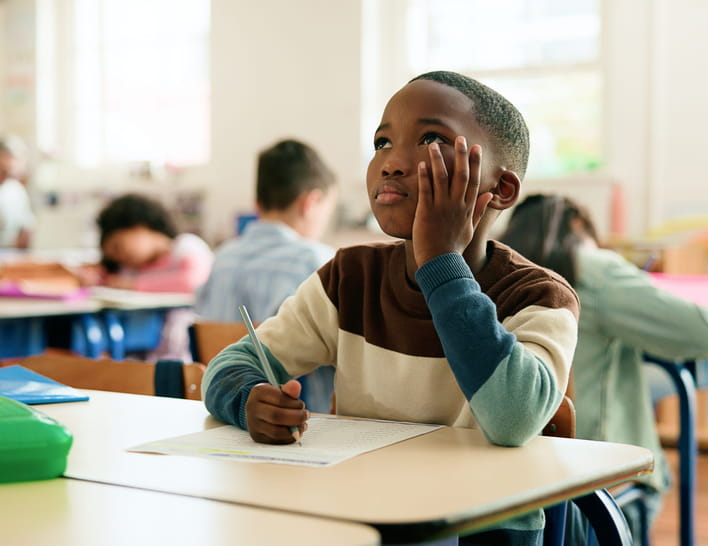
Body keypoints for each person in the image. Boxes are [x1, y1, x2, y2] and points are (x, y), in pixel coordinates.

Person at [202, 71, 579, 545]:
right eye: (382, 142)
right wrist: (249, 400)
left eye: (431, 139)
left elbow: (513, 418)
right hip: (365, 520)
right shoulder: (350, 278)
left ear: (501, 189)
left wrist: (440, 263)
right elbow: (228, 367)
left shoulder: (538, 295)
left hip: (479, 532)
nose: (392, 163)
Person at [498, 193, 708, 541]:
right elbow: (700, 331)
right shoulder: (593, 269)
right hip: (595, 482)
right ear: (579, 226)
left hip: (517, 479)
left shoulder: (497, 272)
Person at [195, 138, 338, 412]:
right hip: (299, 417)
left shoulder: (223, 257)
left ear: (257, 203)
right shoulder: (319, 261)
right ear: (310, 203)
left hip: (227, 408)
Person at [76, 193, 214, 361]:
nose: (121, 258)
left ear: (139, 225)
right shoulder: (131, 269)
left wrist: (133, 285)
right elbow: (108, 280)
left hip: (190, 351)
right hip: (151, 354)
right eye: (114, 258)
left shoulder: (186, 246)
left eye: (118, 247)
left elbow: (192, 282)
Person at [0, 136, 35, 250]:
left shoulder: (16, 190)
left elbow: (26, 226)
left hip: (10, 254)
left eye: (11, 173)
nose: (6, 177)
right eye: (3, 171)